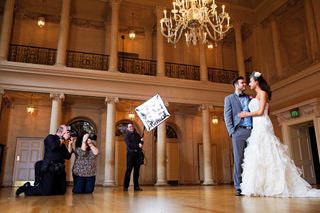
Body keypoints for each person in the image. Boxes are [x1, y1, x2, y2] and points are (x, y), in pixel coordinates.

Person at [238, 71, 320, 197]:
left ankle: (275, 185)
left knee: (268, 149)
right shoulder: (256, 96)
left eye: (250, 81)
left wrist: (246, 114)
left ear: (256, 82)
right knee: (258, 152)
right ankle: (262, 186)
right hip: (257, 125)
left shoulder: (263, 93)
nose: (249, 83)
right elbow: (266, 109)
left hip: (262, 123)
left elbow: (260, 111)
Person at [16, 124, 73, 196]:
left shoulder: (62, 144)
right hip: (49, 168)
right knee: (46, 192)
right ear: (61, 131)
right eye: (67, 131)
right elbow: (53, 146)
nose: (68, 133)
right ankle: (26, 188)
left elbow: (68, 156)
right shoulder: (50, 137)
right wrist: (64, 139)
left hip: (60, 169)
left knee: (61, 191)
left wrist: (70, 144)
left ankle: (48, 188)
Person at [224, 76, 252, 196]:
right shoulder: (229, 98)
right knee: (239, 159)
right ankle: (238, 187)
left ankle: (251, 184)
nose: (245, 84)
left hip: (253, 131)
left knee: (252, 158)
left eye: (245, 83)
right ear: (236, 85)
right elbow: (227, 116)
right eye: (242, 83)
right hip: (238, 132)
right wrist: (232, 131)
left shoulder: (250, 98)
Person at [123, 123, 144, 192]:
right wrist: (138, 145)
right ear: (127, 128)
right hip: (130, 154)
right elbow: (129, 145)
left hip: (137, 155)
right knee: (128, 171)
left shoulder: (137, 134)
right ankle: (125, 187)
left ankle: (136, 186)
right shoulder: (127, 135)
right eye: (129, 127)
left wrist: (142, 141)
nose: (131, 127)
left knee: (137, 172)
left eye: (132, 126)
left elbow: (140, 144)